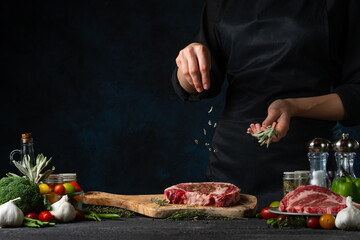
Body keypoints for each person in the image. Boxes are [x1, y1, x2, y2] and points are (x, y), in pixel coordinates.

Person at [171, 0, 360, 207]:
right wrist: (187, 62)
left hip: (310, 165)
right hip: (232, 163)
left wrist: (292, 106)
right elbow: (199, 85)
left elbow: (356, 94)